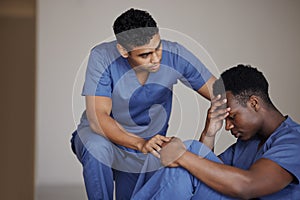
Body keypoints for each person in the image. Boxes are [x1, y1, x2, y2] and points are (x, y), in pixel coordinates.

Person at [70, 8, 216, 200]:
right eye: (145, 55)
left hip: (147, 148)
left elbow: (220, 93)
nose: (156, 59)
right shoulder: (102, 56)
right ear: (124, 51)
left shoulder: (175, 54)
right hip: (105, 138)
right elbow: (98, 119)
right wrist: (139, 143)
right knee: (96, 148)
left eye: (158, 47)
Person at [132, 64, 300, 200]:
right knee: (181, 159)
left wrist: (181, 155)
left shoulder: (294, 140)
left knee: (189, 152)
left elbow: (246, 186)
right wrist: (209, 133)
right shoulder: (248, 143)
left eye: (232, 117)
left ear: (254, 103)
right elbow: (204, 172)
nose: (227, 126)